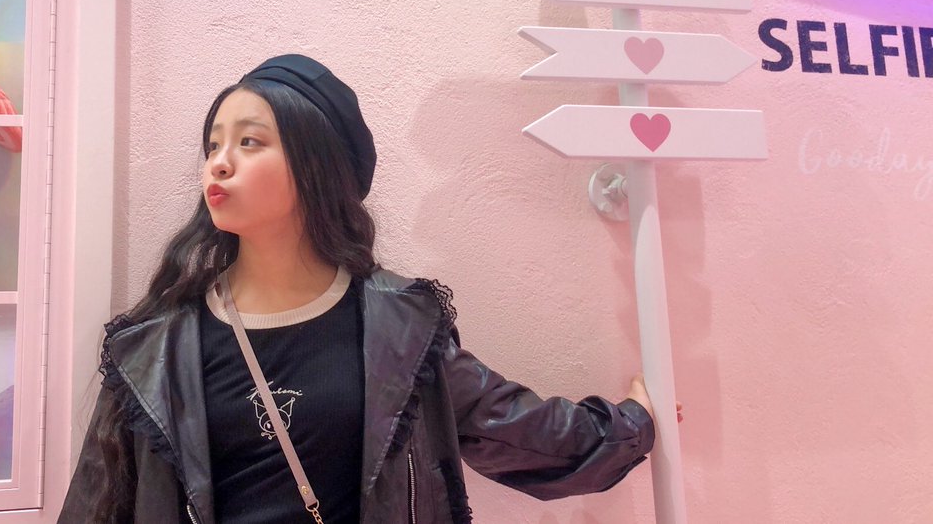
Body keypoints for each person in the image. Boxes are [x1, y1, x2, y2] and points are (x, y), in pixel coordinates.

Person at [59, 54, 666, 524]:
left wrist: (636, 420)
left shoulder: (399, 329)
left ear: (317, 164)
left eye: (250, 141)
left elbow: (511, 426)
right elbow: (97, 502)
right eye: (213, 144)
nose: (218, 162)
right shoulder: (157, 348)